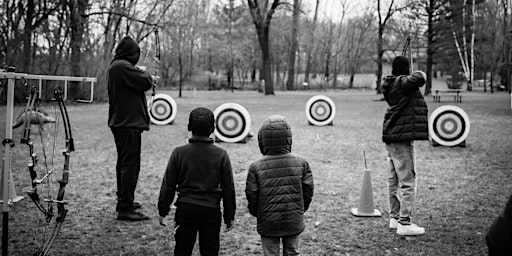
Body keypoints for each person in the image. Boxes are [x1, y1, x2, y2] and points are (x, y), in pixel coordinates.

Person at [158, 107, 236, 256]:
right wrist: (229, 216)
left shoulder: (178, 153)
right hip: (211, 211)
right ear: (213, 129)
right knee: (210, 251)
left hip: (185, 209)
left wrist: (163, 209)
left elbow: (168, 184)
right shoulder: (221, 154)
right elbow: (228, 188)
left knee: (182, 249)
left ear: (189, 127)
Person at [245, 115, 314, 256]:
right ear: (288, 138)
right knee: (292, 252)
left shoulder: (255, 167)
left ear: (262, 139)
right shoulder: (302, 162)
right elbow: (308, 191)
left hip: (268, 222)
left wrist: (258, 213)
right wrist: (300, 210)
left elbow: (251, 194)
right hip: (293, 219)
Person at [108, 36, 156, 221]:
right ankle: (125, 208)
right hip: (127, 124)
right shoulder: (122, 67)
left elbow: (138, 82)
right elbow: (145, 81)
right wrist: (146, 74)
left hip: (123, 123)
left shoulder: (118, 66)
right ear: (130, 54)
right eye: (136, 54)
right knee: (130, 166)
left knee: (124, 164)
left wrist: (140, 72)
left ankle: (124, 200)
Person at [382, 55, 428, 236]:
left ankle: (394, 218)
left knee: (394, 178)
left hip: (392, 136)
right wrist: (415, 70)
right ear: (405, 70)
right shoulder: (402, 82)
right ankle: (404, 222)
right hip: (400, 139)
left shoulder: (392, 83)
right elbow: (421, 77)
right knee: (408, 180)